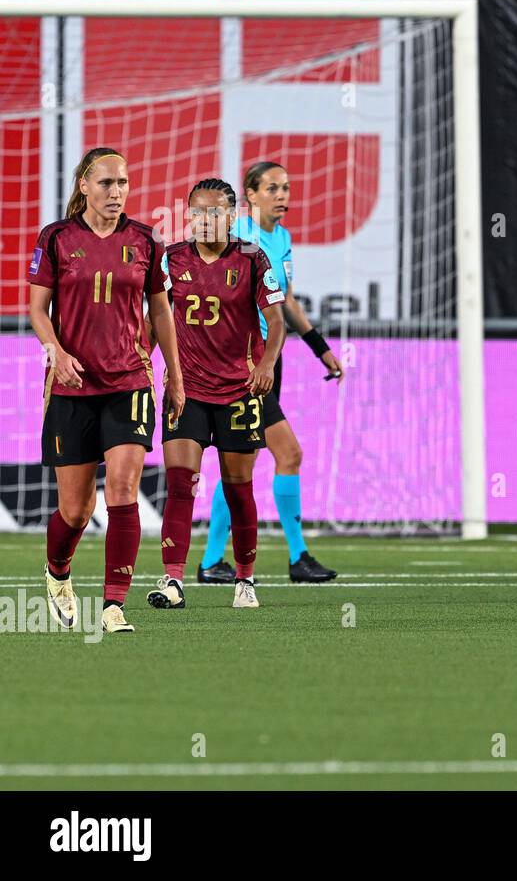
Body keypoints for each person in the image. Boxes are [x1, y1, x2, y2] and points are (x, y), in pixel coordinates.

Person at [27, 147, 184, 634]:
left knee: (122, 489)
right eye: (106, 183)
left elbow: (160, 310)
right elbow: (37, 311)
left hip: (130, 381)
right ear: (83, 186)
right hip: (72, 387)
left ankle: (114, 604)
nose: (116, 193)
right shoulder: (55, 238)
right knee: (76, 510)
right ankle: (57, 573)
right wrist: (56, 351)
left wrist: (175, 376)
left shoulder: (144, 240)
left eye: (123, 183)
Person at [197, 162, 342, 584]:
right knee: (287, 454)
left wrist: (320, 349)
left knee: (242, 462)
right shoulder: (238, 238)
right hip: (244, 362)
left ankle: (210, 562)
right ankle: (297, 556)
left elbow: (287, 302)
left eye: (287, 187)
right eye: (273, 188)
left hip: (269, 360)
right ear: (250, 195)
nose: (283, 195)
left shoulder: (282, 239)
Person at [149, 178, 287, 611]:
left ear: (231, 216)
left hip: (238, 391)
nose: (205, 221)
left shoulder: (251, 257)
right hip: (185, 389)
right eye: (197, 213)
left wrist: (265, 364)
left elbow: (277, 322)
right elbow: (155, 319)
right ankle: (172, 580)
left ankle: (244, 580)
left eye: (215, 213)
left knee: (238, 487)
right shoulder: (171, 259)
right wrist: (140, 362)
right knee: (180, 484)